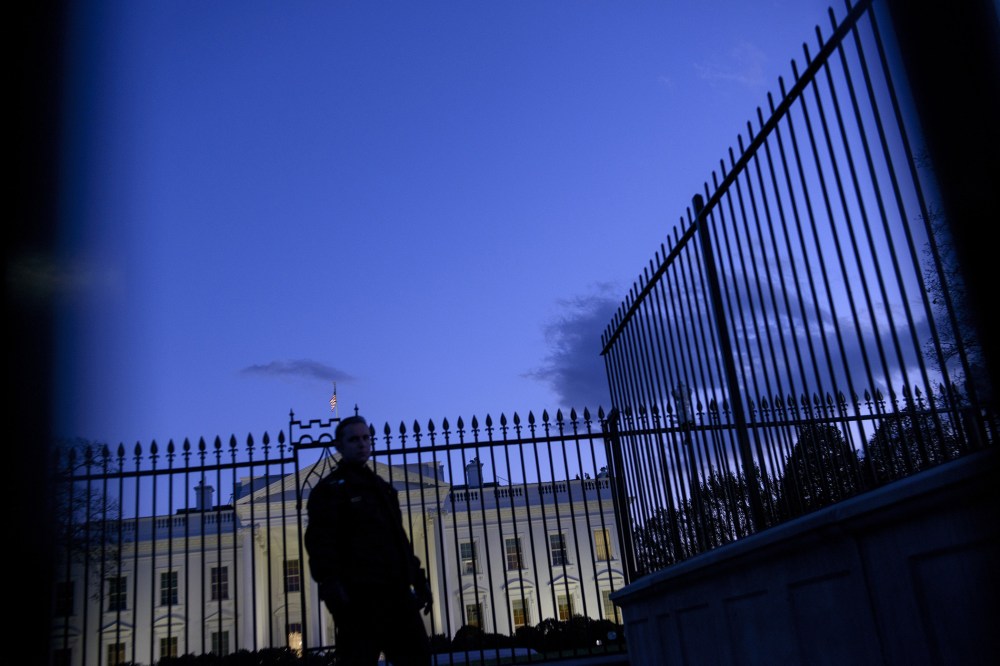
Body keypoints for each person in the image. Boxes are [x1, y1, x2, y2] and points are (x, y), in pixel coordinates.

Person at [305, 415, 433, 666]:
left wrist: (419, 580)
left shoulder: (383, 488)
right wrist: (333, 592)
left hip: (397, 597)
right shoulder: (328, 491)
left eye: (366, 438)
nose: (362, 444)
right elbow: (320, 547)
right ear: (339, 446)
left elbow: (400, 541)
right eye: (354, 439)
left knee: (419, 660)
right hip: (359, 602)